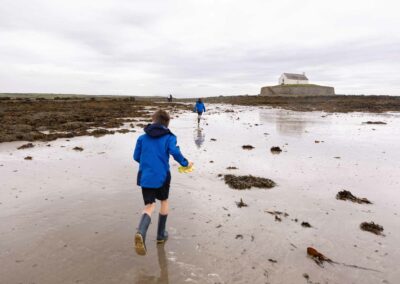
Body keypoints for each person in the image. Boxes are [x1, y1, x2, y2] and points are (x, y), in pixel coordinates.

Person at [133, 110, 192, 256]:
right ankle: (160, 236)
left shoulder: (142, 138)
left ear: (153, 120)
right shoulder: (169, 137)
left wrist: (148, 164)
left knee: (149, 205)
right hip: (163, 176)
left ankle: (141, 232)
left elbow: (136, 157)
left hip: (146, 176)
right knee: (164, 201)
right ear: (167, 123)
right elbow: (175, 152)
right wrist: (185, 163)